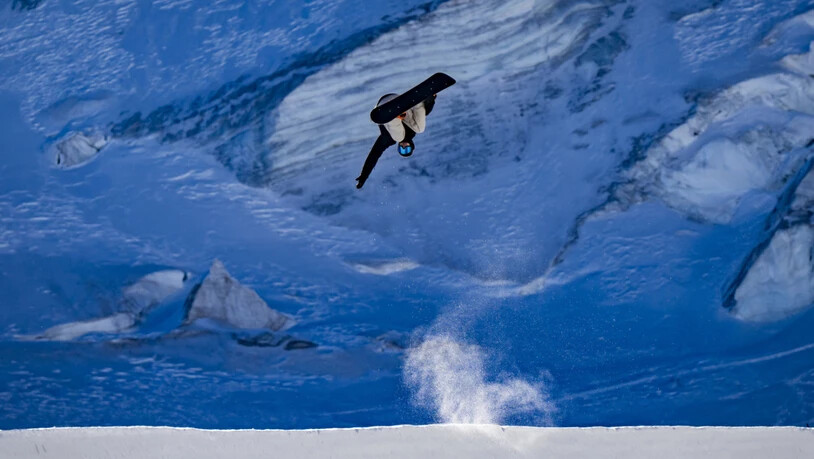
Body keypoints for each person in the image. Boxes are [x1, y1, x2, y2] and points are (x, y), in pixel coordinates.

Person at [355, 93, 437, 189]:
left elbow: (374, 155)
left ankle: (394, 117)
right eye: (407, 149)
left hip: (383, 105)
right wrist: (430, 97)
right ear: (411, 145)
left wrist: (364, 176)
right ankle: (418, 102)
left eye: (402, 150)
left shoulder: (388, 139)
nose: (404, 147)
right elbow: (426, 111)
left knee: (398, 137)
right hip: (402, 103)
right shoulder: (414, 128)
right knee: (420, 129)